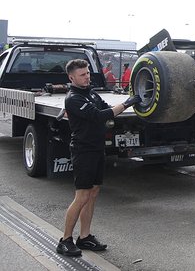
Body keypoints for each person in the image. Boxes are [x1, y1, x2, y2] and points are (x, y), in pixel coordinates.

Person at [57, 59, 141, 257]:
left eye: (87, 73)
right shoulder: (73, 98)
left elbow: (107, 108)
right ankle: (65, 240)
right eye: (82, 75)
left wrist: (128, 104)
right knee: (82, 196)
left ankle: (84, 237)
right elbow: (99, 115)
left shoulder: (91, 93)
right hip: (83, 151)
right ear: (71, 78)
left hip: (96, 149)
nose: (87, 77)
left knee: (93, 193)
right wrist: (128, 102)